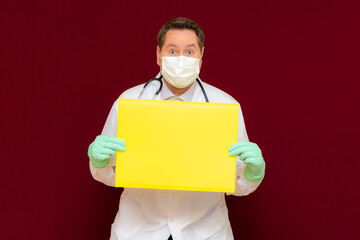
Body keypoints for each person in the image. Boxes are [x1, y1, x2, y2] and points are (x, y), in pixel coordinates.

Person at [88, 17, 265, 240]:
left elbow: (237, 184)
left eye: (189, 52)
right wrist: (99, 162)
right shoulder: (129, 101)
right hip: (138, 230)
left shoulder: (226, 106)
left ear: (201, 56)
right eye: (172, 51)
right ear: (158, 55)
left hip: (206, 231)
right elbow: (110, 173)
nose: (181, 58)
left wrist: (252, 173)